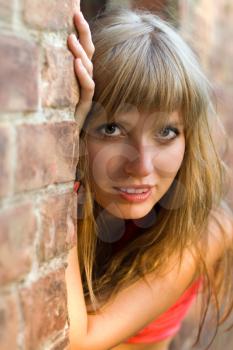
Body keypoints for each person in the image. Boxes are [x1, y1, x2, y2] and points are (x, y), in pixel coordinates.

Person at [65, 6, 233, 350]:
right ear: (81, 129)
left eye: (167, 132)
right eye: (112, 129)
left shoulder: (207, 230)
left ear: (189, 138)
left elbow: (78, 340)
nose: (141, 165)